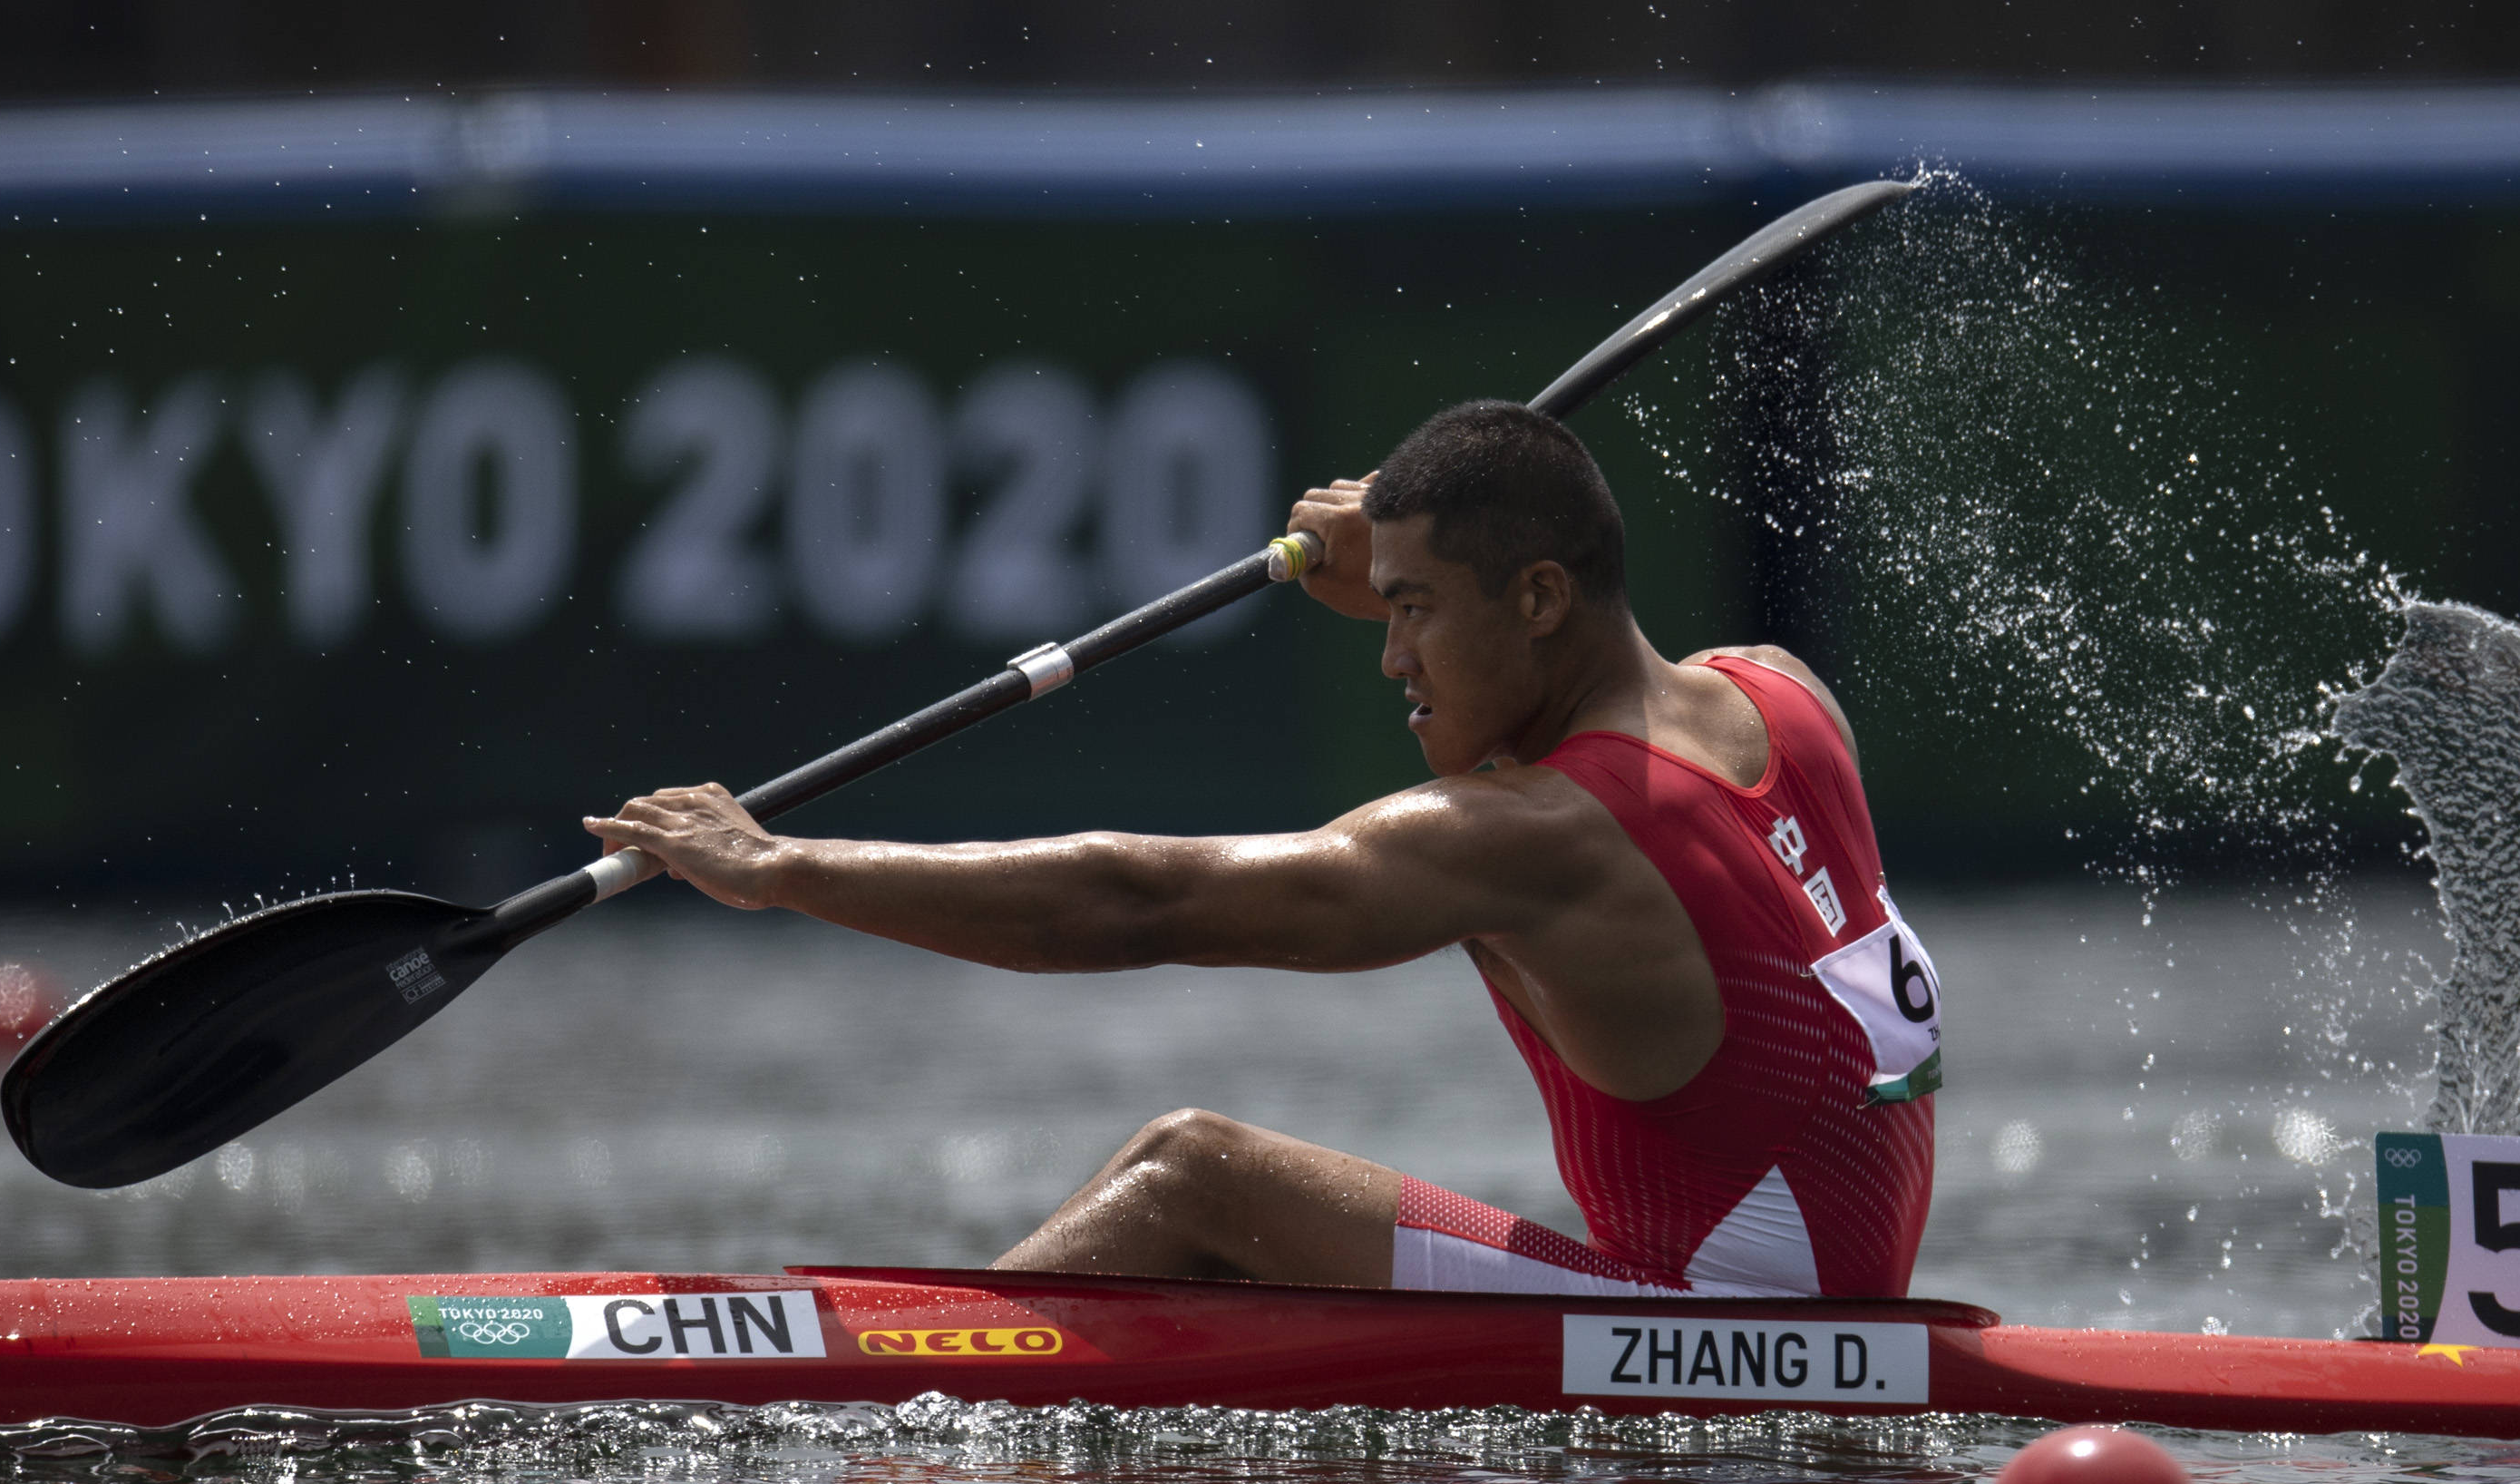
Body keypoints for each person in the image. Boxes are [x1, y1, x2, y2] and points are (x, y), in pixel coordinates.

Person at [587, 401, 1941, 1297]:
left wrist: (779, 868)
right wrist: (1419, 571)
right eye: (1386, 607)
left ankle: (896, 1440)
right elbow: (1589, 710)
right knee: (1183, 1180)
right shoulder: (1777, 690)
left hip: (1723, 1318)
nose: (1392, 655)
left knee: (1198, 1172)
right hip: (1842, 1285)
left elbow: (1139, 902)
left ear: (1537, 598)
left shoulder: (1533, 840)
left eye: (1414, 611)